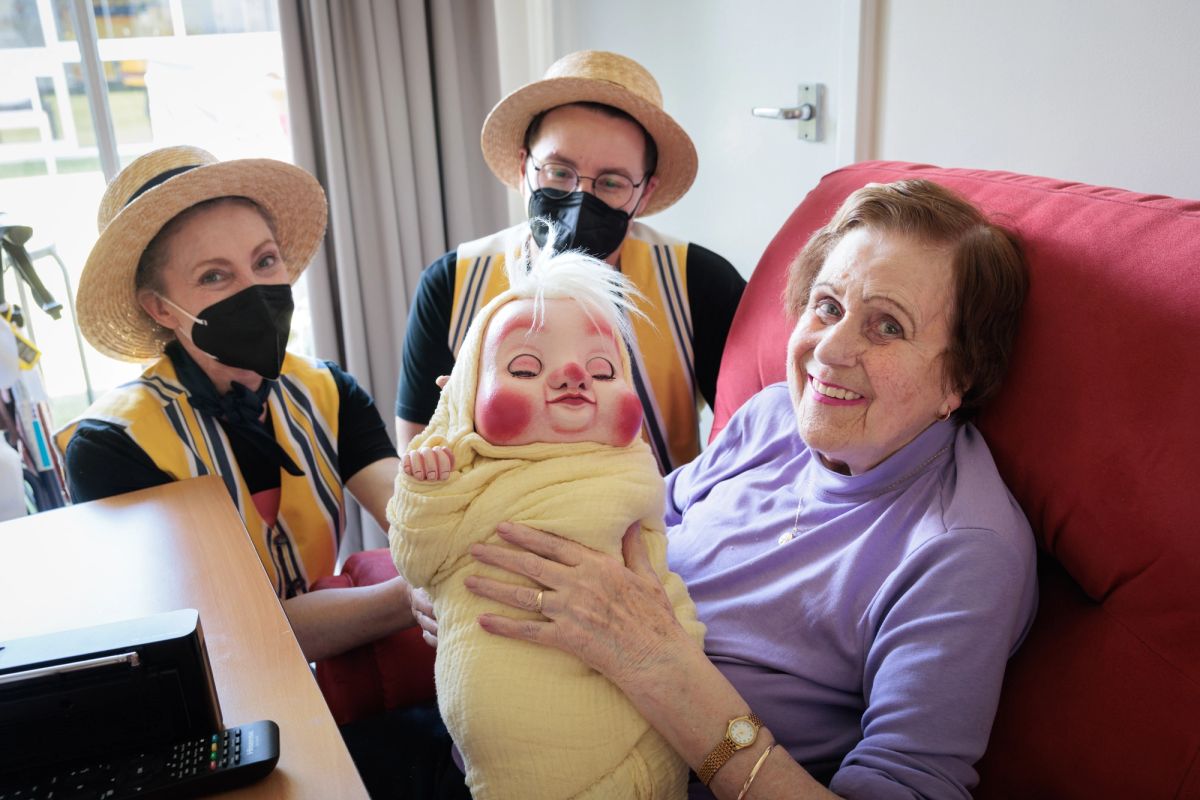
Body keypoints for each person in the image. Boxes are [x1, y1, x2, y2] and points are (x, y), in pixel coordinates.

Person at [454, 180, 1039, 799]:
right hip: (529, 718)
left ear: (960, 376)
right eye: (828, 306)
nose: (830, 352)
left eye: (887, 327)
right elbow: (642, 515)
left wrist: (655, 664)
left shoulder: (961, 551)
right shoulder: (774, 416)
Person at [55, 145, 414, 663]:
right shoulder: (113, 445)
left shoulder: (328, 391)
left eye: (265, 261)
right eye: (214, 275)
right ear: (159, 307)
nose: (255, 290)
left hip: (334, 673)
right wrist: (412, 599)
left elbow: (414, 517)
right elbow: (224, 632)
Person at [391, 239, 704, 799]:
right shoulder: (462, 467)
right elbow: (416, 560)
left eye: (604, 370)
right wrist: (424, 488)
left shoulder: (628, 472)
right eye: (526, 366)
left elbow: (659, 574)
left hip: (641, 703)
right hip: (504, 727)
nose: (571, 376)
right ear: (467, 397)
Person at [395, 50, 746, 474]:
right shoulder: (452, 283)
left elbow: (747, 436)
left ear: (645, 193)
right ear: (525, 166)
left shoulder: (699, 282)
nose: (581, 198)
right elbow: (417, 447)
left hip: (661, 526)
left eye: (612, 182)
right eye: (558, 172)